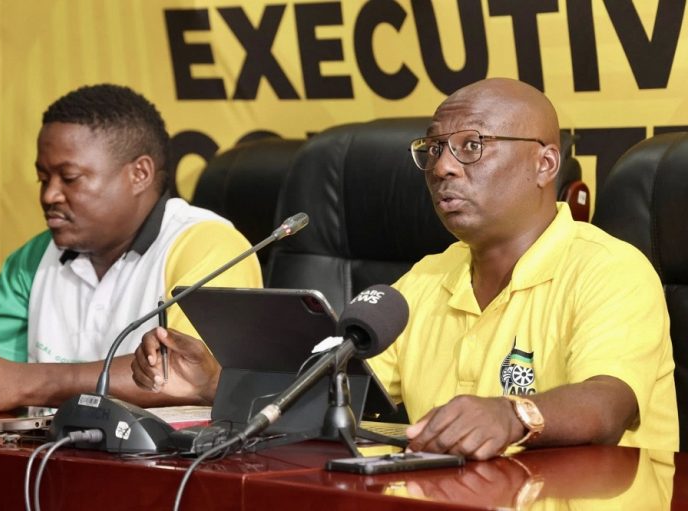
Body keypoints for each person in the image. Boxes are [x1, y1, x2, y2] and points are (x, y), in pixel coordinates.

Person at [131, 78, 678, 460]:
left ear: (545, 163)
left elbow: (607, 403)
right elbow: (339, 393)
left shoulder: (609, 270)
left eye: (472, 146)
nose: (442, 167)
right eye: (434, 148)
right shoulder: (425, 280)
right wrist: (219, 382)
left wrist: (513, 414)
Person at [0, 84, 261, 413]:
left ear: (139, 174)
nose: (49, 195)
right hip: (47, 451)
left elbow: (183, 376)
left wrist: (21, 382)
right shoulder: (38, 255)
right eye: (43, 179)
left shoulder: (208, 244)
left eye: (69, 178)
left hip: (166, 454)